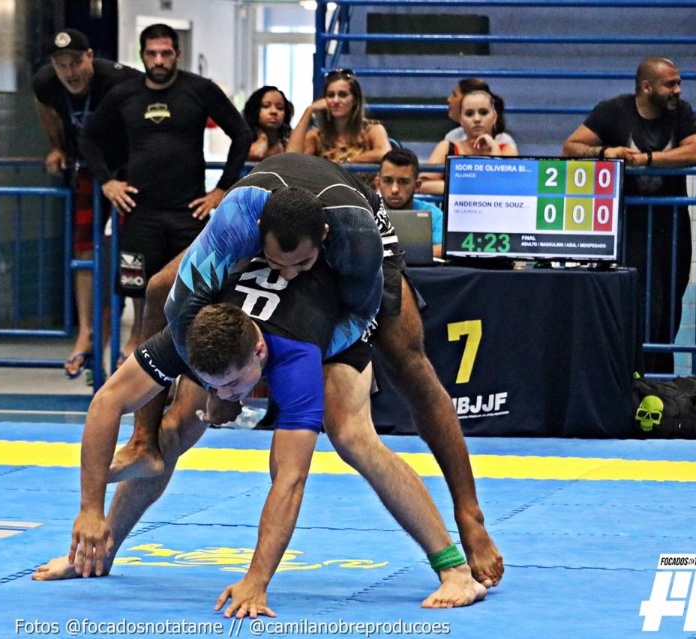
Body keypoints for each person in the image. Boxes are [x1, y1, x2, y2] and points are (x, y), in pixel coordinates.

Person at [32, 196, 487, 613]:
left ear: (259, 356)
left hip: (333, 307)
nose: (230, 398)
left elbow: (289, 480)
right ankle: (99, 551)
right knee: (177, 428)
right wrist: (89, 509)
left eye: (233, 386)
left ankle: (455, 569)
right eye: (219, 386)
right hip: (244, 311)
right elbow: (107, 401)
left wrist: (257, 579)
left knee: (353, 435)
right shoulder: (191, 332)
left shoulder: (297, 363)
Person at [113, 153, 504, 588]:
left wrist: (306, 352)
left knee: (404, 363)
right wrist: (214, 387)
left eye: (298, 266)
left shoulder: (354, 238)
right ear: (259, 239)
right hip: (273, 228)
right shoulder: (237, 224)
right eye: (278, 264)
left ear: (322, 240)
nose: (288, 275)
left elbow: (360, 314)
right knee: (162, 294)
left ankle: (469, 515)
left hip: (351, 236)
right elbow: (176, 304)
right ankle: (141, 445)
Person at [78, 23, 254, 362]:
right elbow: (88, 138)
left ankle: (191, 355)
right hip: (140, 213)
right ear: (142, 56)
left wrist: (222, 189)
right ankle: (139, 348)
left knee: (194, 287)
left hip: (188, 212)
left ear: (177, 54)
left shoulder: (200, 90)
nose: (159, 61)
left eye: (166, 54)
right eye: (152, 54)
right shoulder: (124, 94)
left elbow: (241, 134)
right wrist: (106, 181)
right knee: (137, 287)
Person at [562, 57, 696, 374]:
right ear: (646, 87)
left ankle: (660, 385)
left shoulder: (681, 113)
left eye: (678, 83)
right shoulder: (613, 110)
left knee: (669, 312)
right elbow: (571, 147)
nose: (677, 90)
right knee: (641, 310)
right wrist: (603, 153)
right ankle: (632, 381)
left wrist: (648, 159)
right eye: (670, 84)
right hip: (630, 229)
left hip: (672, 230)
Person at [33, 28, 143, 379]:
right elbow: (44, 106)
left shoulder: (119, 81)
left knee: (134, 251)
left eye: (76, 62)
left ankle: (138, 331)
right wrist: (57, 145)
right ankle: (87, 331)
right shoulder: (47, 83)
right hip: (88, 172)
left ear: (90, 57)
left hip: (125, 171)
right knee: (83, 251)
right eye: (62, 64)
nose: (71, 72)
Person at [420, 90, 519, 195]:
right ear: (461, 120)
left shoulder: (507, 149)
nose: (477, 119)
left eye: (483, 112)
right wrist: (470, 186)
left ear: (494, 117)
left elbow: (506, 186)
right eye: (469, 114)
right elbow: (421, 185)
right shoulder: (447, 147)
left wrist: (493, 147)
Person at [286, 69, 392, 165]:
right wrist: (309, 111)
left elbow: (384, 153)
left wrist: (347, 162)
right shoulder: (316, 135)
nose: (335, 101)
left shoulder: (372, 129)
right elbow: (290, 158)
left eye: (343, 95)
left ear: (355, 100)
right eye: (331, 95)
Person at [376, 148, 443, 258]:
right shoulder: (365, 212)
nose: (394, 189)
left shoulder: (433, 214)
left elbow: (443, 249)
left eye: (403, 182)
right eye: (387, 181)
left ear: (417, 186)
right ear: (378, 184)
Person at [444, 78, 515, 148]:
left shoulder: (505, 143)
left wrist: (493, 148)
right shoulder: (452, 138)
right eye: (469, 114)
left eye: (454, 95)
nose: (449, 99)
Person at [243, 85, 294, 161]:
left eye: (280, 108)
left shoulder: (286, 145)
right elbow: (257, 154)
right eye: (266, 106)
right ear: (255, 111)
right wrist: (262, 138)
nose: (274, 111)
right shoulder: (244, 144)